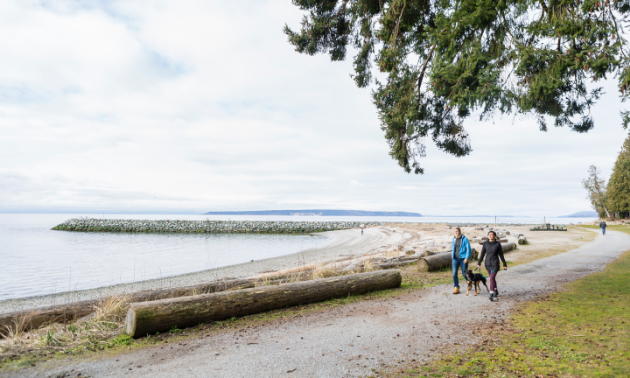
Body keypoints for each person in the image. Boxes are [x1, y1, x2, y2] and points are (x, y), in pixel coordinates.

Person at [477, 230, 507, 301]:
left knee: (491, 278)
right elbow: (482, 254)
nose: (490, 236)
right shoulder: (485, 244)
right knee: (492, 278)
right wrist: (479, 262)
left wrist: (504, 264)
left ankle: (491, 293)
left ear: (494, 236)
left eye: (491, 234)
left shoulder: (497, 244)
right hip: (487, 264)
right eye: (489, 234)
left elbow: (501, 254)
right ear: (488, 236)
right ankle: (495, 290)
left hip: (495, 264)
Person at [451, 227, 471, 294]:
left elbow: (468, 249)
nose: (456, 232)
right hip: (455, 258)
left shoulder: (465, 239)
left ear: (460, 231)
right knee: (454, 274)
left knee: (464, 273)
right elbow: (454, 249)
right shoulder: (453, 239)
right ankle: (456, 288)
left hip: (463, 258)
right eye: (455, 231)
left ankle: (469, 281)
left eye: (457, 231)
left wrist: (466, 258)